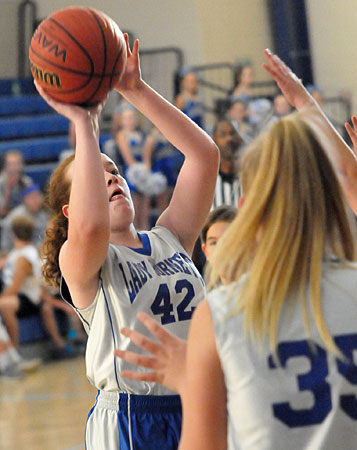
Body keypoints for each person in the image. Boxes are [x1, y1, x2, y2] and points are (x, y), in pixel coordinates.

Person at [115, 49, 357, 450]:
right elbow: (349, 179)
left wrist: (190, 381)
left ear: (245, 208)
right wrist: (303, 105)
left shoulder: (224, 312)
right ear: (331, 198)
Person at [37, 33, 219, 450]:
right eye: (95, 176)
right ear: (71, 210)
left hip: (199, 397)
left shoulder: (170, 237)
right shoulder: (81, 261)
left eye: (114, 170)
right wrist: (85, 120)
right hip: (135, 417)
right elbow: (90, 228)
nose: (112, 177)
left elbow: (204, 157)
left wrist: (135, 90)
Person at [0, 214, 43, 348]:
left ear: (13, 234)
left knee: (3, 305)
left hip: (29, 299)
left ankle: (13, 347)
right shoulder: (17, 252)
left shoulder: (25, 256)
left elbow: (15, 288)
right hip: (19, 295)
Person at [1, 183, 48, 252]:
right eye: (32, 198)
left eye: (38, 197)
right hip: (14, 253)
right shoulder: (15, 217)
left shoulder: (42, 215)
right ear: (25, 200)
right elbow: (6, 246)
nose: (36, 201)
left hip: (36, 252)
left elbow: (43, 239)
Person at [0, 150, 34, 218]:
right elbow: (1, 211)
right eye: (10, 164)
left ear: (21, 165)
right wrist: (8, 188)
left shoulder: (27, 181)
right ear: (5, 166)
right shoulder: (1, 182)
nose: (13, 168)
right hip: (5, 219)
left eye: (16, 164)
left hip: (25, 217)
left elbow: (34, 207)